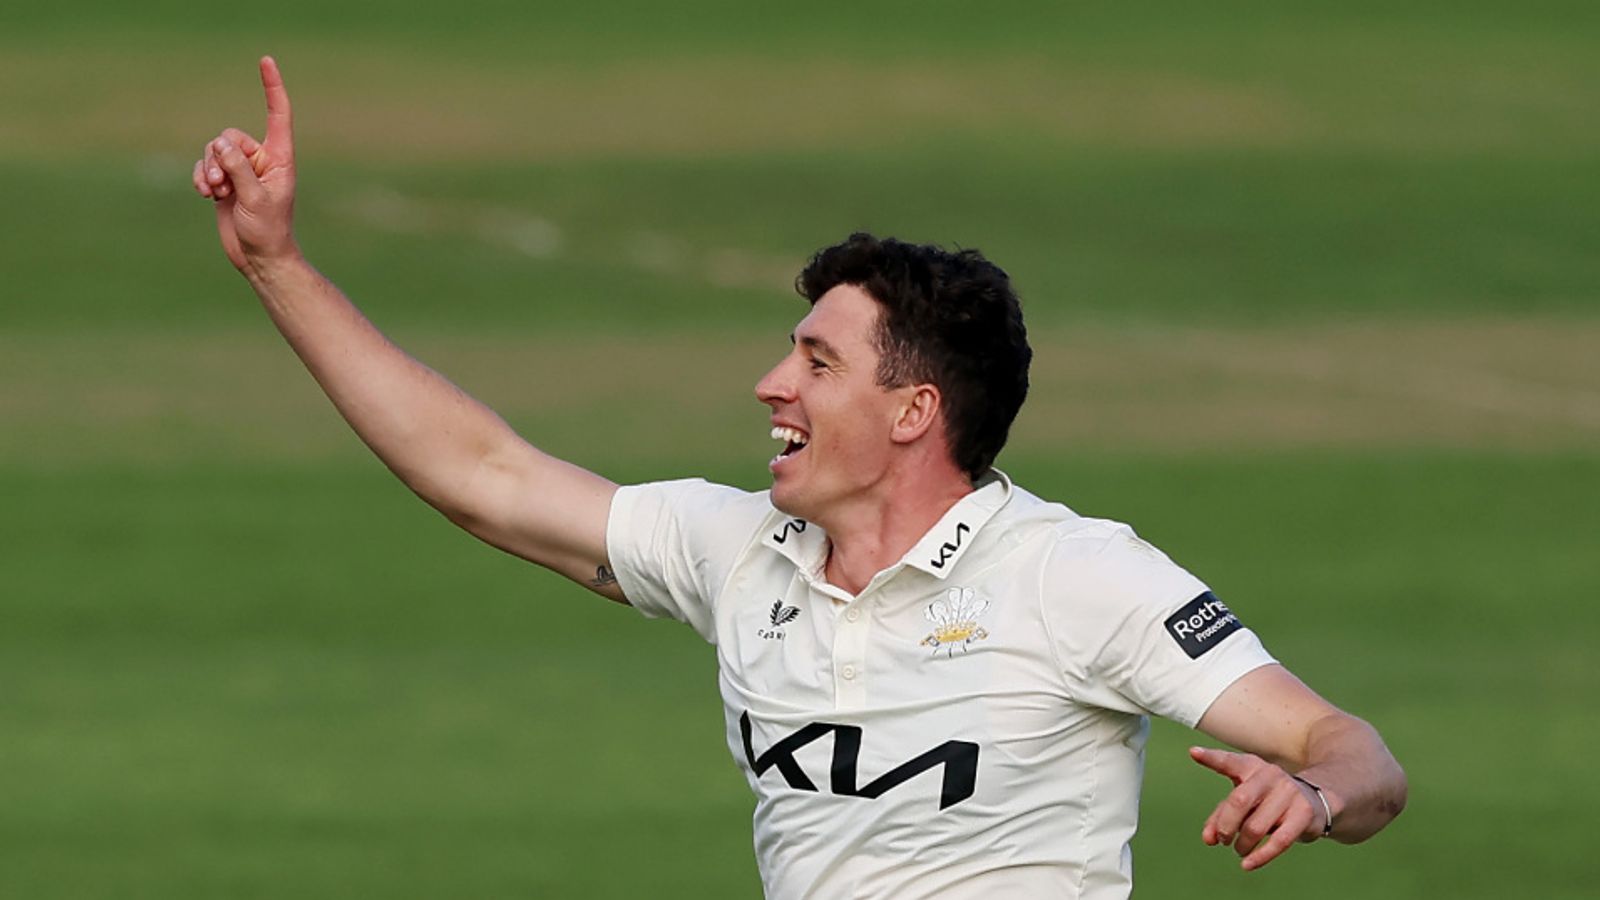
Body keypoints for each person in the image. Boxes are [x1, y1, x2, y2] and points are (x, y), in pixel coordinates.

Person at [193, 57, 1406, 899]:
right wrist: (275, 264)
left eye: (817, 363)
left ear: (913, 412)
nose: (771, 384)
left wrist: (1311, 794)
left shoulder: (1074, 577)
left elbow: (1353, 751)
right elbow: (480, 474)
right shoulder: (733, 554)